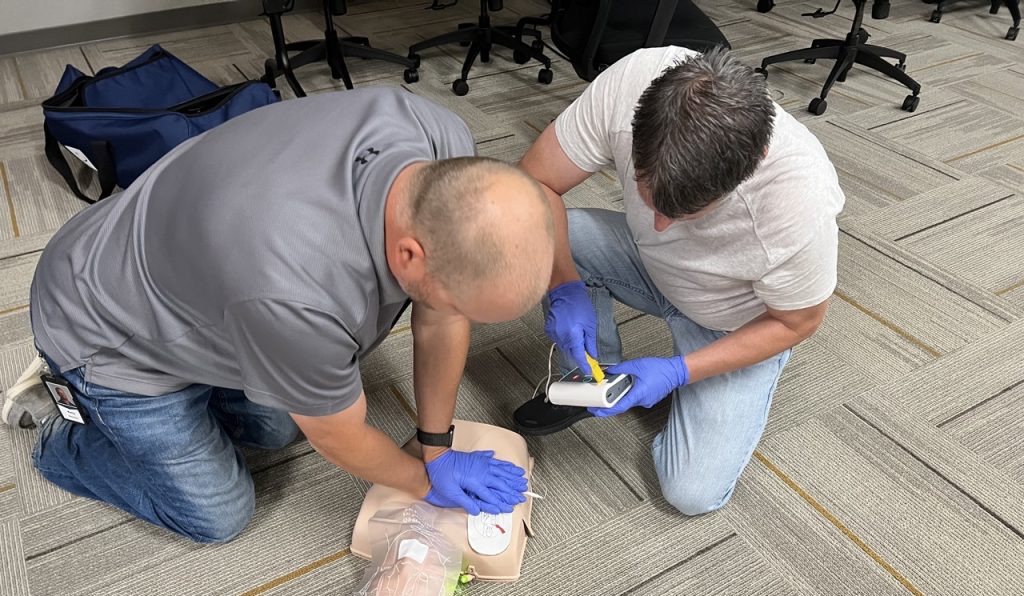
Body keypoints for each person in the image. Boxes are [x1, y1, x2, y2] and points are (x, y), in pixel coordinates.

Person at [1, 86, 555, 543]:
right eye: (460, 304)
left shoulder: (439, 141)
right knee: (219, 515)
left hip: (187, 280)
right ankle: (69, 431)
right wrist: (424, 483)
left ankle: (183, 404)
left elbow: (440, 317)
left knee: (277, 428)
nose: (457, 316)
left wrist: (436, 445)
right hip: (104, 332)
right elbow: (339, 439)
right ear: (410, 253)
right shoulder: (297, 290)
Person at [512, 46, 844, 516]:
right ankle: (592, 373)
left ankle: (702, 376)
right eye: (650, 201)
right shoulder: (631, 83)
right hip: (646, 269)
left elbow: (798, 321)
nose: (661, 228)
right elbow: (534, 183)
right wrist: (563, 284)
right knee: (530, 229)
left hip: (736, 318)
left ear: (751, 165)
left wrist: (680, 372)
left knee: (690, 492)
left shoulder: (798, 203)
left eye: (683, 213)